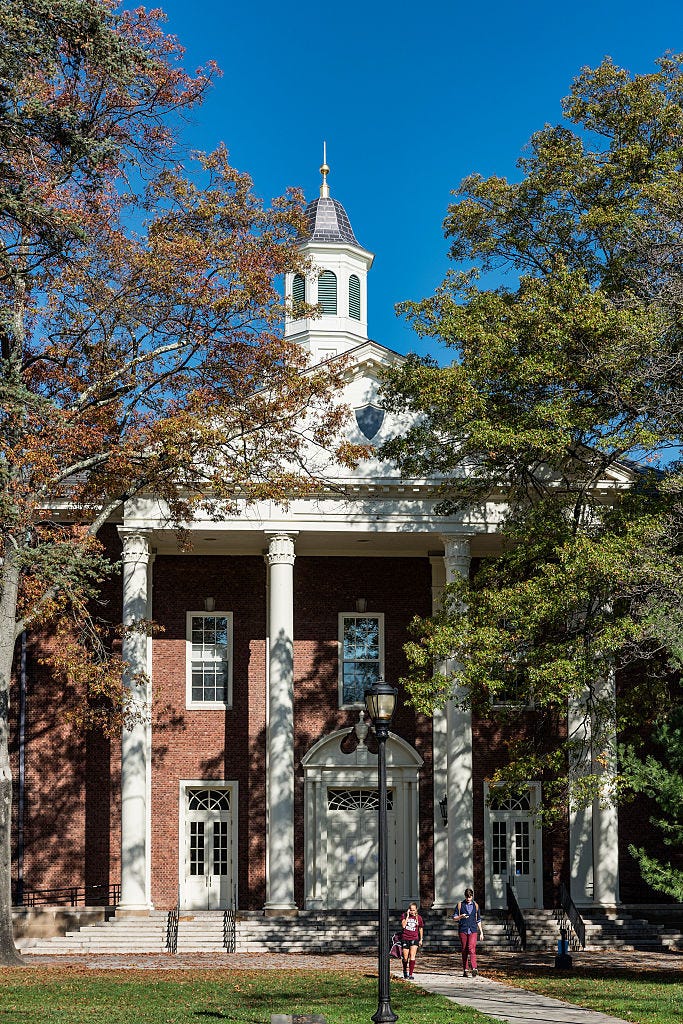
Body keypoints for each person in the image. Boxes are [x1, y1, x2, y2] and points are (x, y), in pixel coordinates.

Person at [453, 887, 484, 977]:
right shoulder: (460, 905)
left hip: (473, 929)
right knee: (464, 949)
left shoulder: (476, 906)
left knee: (471, 948)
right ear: (465, 896)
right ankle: (465, 969)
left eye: (470, 897)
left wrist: (481, 932)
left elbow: (478, 919)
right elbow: (454, 918)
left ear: (472, 896)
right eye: (467, 897)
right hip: (463, 929)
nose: (468, 899)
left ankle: (474, 968)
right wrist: (461, 916)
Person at [400, 901, 424, 979]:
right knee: (405, 957)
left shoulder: (419, 918)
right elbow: (403, 926)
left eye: (413, 910)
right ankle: (405, 971)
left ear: (416, 910)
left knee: (412, 956)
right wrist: (407, 916)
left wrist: (421, 939)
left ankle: (410, 974)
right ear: (408, 909)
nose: (412, 911)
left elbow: (420, 929)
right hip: (405, 938)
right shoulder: (404, 915)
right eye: (411, 910)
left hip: (414, 938)